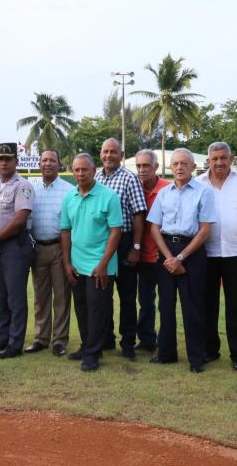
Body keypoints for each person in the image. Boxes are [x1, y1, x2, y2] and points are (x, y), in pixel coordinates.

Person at [147, 148, 216, 373]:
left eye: (184, 164)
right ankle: (166, 353)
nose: (179, 167)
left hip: (192, 252)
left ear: (193, 167)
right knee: (166, 305)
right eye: (175, 164)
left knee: (192, 306)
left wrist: (181, 257)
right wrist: (169, 257)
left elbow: (204, 230)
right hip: (167, 250)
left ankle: (197, 357)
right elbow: (154, 227)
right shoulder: (164, 193)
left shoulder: (204, 193)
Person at [196, 142, 237, 372]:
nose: (219, 162)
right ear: (208, 161)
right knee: (207, 304)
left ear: (232, 158)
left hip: (236, 253)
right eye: (214, 158)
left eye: (223, 157)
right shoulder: (198, 183)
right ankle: (209, 350)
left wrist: (235, 231)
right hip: (206, 253)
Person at [61, 153, 122, 371]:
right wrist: (67, 263)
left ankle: (93, 353)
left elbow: (116, 231)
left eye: (84, 169)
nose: (80, 174)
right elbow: (65, 230)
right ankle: (87, 345)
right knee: (82, 307)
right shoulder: (69, 197)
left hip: (101, 265)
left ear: (94, 170)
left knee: (97, 309)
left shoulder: (109, 196)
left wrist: (104, 263)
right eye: (76, 170)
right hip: (77, 264)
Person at [0, 142, 34, 359]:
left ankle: (15, 344)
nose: (2, 163)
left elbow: (20, 219)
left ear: (16, 161)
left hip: (14, 247)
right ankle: (2, 338)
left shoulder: (23, 185)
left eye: (7, 159)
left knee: (15, 298)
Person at [95, 138, 147, 359]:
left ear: (121, 155)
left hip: (125, 243)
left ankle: (128, 344)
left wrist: (135, 247)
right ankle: (106, 339)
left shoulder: (129, 178)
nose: (109, 155)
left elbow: (139, 214)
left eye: (113, 152)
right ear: (100, 154)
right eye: (105, 151)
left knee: (127, 297)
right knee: (103, 295)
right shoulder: (96, 177)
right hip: (102, 244)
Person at [25, 149, 74, 357]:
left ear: (59, 164)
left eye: (52, 160)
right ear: (39, 164)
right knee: (40, 296)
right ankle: (41, 338)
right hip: (37, 248)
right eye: (44, 160)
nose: (47, 164)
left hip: (59, 248)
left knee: (61, 296)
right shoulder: (31, 188)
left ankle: (59, 340)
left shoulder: (68, 190)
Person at [134, 149, 169, 353]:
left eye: (146, 165)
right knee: (146, 302)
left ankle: (165, 342)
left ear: (155, 166)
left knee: (166, 302)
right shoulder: (134, 187)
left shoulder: (167, 188)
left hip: (164, 256)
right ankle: (147, 339)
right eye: (138, 166)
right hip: (143, 256)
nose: (142, 169)